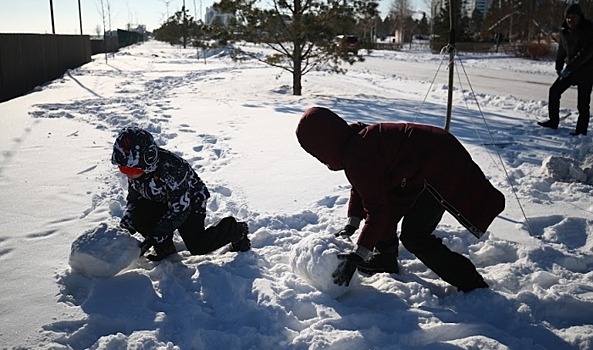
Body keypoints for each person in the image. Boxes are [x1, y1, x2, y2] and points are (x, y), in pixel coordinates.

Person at [296, 107, 505, 292]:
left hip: (440, 166)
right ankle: (384, 258)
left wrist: (358, 255)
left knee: (415, 236)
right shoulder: (355, 142)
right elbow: (364, 187)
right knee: (387, 201)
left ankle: (472, 283)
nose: (320, 159)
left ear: (326, 144)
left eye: (317, 153)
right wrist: (353, 222)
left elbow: (377, 209)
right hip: (428, 161)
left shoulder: (358, 153)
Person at [111, 126, 251, 261]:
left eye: (131, 171)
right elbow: (135, 198)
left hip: (190, 201)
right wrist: (128, 223)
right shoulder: (136, 169)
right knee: (139, 217)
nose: (128, 175)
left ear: (148, 160)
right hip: (160, 199)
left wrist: (156, 235)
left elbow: (180, 210)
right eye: (124, 170)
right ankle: (165, 248)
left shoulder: (173, 170)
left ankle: (235, 230)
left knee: (198, 246)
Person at [538, 3, 593, 135]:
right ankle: (553, 121)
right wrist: (559, 66)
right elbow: (562, 50)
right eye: (568, 17)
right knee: (554, 91)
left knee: (583, 104)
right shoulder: (565, 32)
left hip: (587, 71)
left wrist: (569, 68)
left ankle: (581, 131)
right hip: (571, 71)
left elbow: (586, 53)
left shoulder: (589, 30)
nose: (570, 19)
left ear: (580, 17)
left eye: (573, 17)